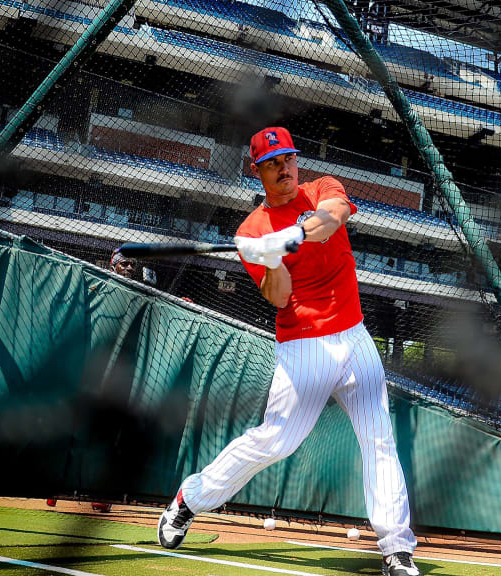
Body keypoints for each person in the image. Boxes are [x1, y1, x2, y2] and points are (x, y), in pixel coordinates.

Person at [157, 127, 419, 576]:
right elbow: (278, 297)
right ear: (257, 170)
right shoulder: (251, 232)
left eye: (289, 159)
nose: (285, 168)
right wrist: (271, 257)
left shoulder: (321, 189)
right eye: (274, 163)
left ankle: (397, 550)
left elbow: (333, 218)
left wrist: (288, 237)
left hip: (355, 337)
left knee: (379, 440)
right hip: (303, 347)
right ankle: (190, 498)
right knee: (275, 442)